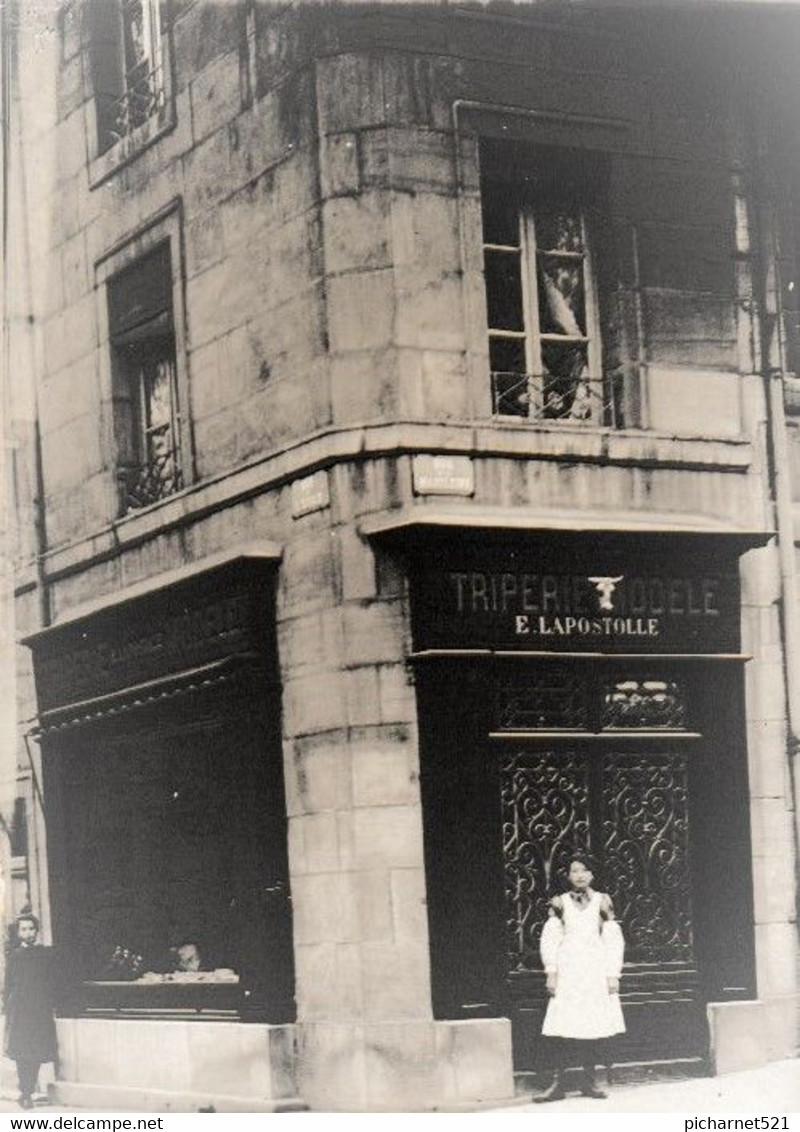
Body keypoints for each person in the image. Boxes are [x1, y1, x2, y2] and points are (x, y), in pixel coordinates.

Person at [533, 857, 625, 1102]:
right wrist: (551, 972)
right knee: (563, 1026)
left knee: (592, 1026)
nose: (580, 875)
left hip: (593, 972)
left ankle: (589, 1082)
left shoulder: (602, 901)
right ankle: (559, 1084)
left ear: (593, 875)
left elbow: (612, 939)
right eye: (575, 870)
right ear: (569, 875)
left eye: (585, 870)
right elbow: (550, 939)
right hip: (569, 973)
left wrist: (612, 974)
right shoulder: (559, 903)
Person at [3, 913, 58, 1110]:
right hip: (20, 1010)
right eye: (24, 929)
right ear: (18, 933)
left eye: (31, 929)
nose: (28, 933)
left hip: (39, 1009)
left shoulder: (44, 954)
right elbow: (8, 984)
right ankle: (25, 1092)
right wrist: (7, 1007)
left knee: (36, 1050)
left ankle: (28, 1090)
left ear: (37, 930)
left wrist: (49, 1002)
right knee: (21, 1051)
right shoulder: (15, 956)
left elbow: (51, 980)